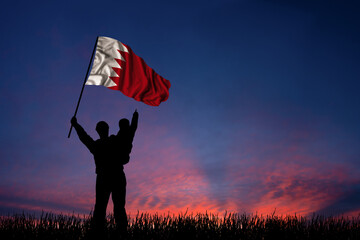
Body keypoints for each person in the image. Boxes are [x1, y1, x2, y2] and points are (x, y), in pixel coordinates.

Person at [70, 110, 138, 237]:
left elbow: (84, 137)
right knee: (111, 208)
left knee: (106, 208)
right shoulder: (111, 142)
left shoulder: (100, 144)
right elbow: (130, 132)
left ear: (99, 131)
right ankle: (116, 232)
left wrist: (76, 125)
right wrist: (76, 125)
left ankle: (107, 233)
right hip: (113, 177)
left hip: (108, 177)